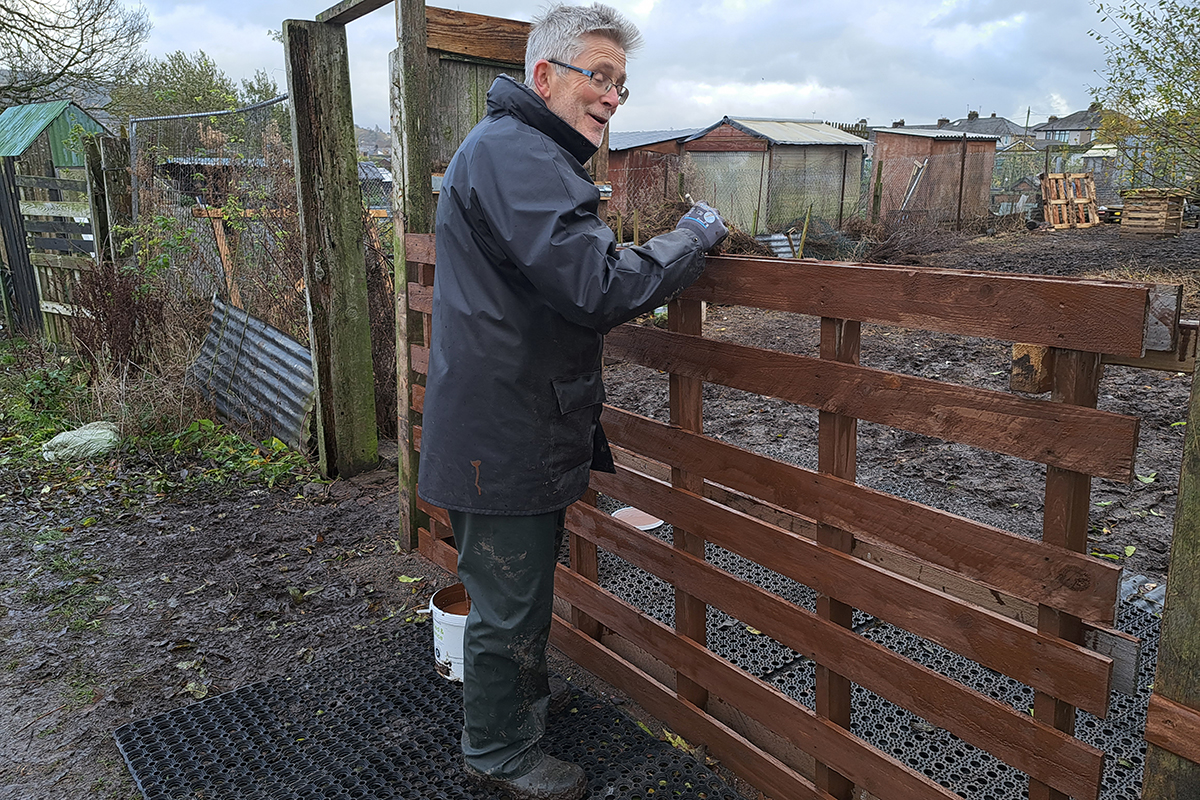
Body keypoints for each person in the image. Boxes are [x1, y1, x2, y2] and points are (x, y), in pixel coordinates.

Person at [416, 3, 727, 799]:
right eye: (600, 75)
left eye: (622, 83)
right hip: (505, 431)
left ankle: (515, 713)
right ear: (544, 75)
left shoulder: (518, 153)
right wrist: (694, 234)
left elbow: (558, 266)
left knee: (513, 593)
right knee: (508, 605)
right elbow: (597, 285)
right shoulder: (517, 156)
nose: (614, 96)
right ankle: (498, 754)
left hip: (505, 421)